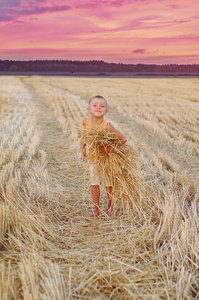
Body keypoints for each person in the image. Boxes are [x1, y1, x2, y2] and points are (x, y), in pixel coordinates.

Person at [82, 95, 127, 217]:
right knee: (94, 184)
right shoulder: (86, 122)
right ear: (89, 110)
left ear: (106, 111)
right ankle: (96, 209)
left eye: (102, 106)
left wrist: (108, 149)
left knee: (109, 184)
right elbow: (84, 136)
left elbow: (123, 139)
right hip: (93, 159)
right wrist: (83, 148)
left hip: (107, 160)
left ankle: (110, 207)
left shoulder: (107, 126)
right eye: (95, 105)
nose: (98, 107)